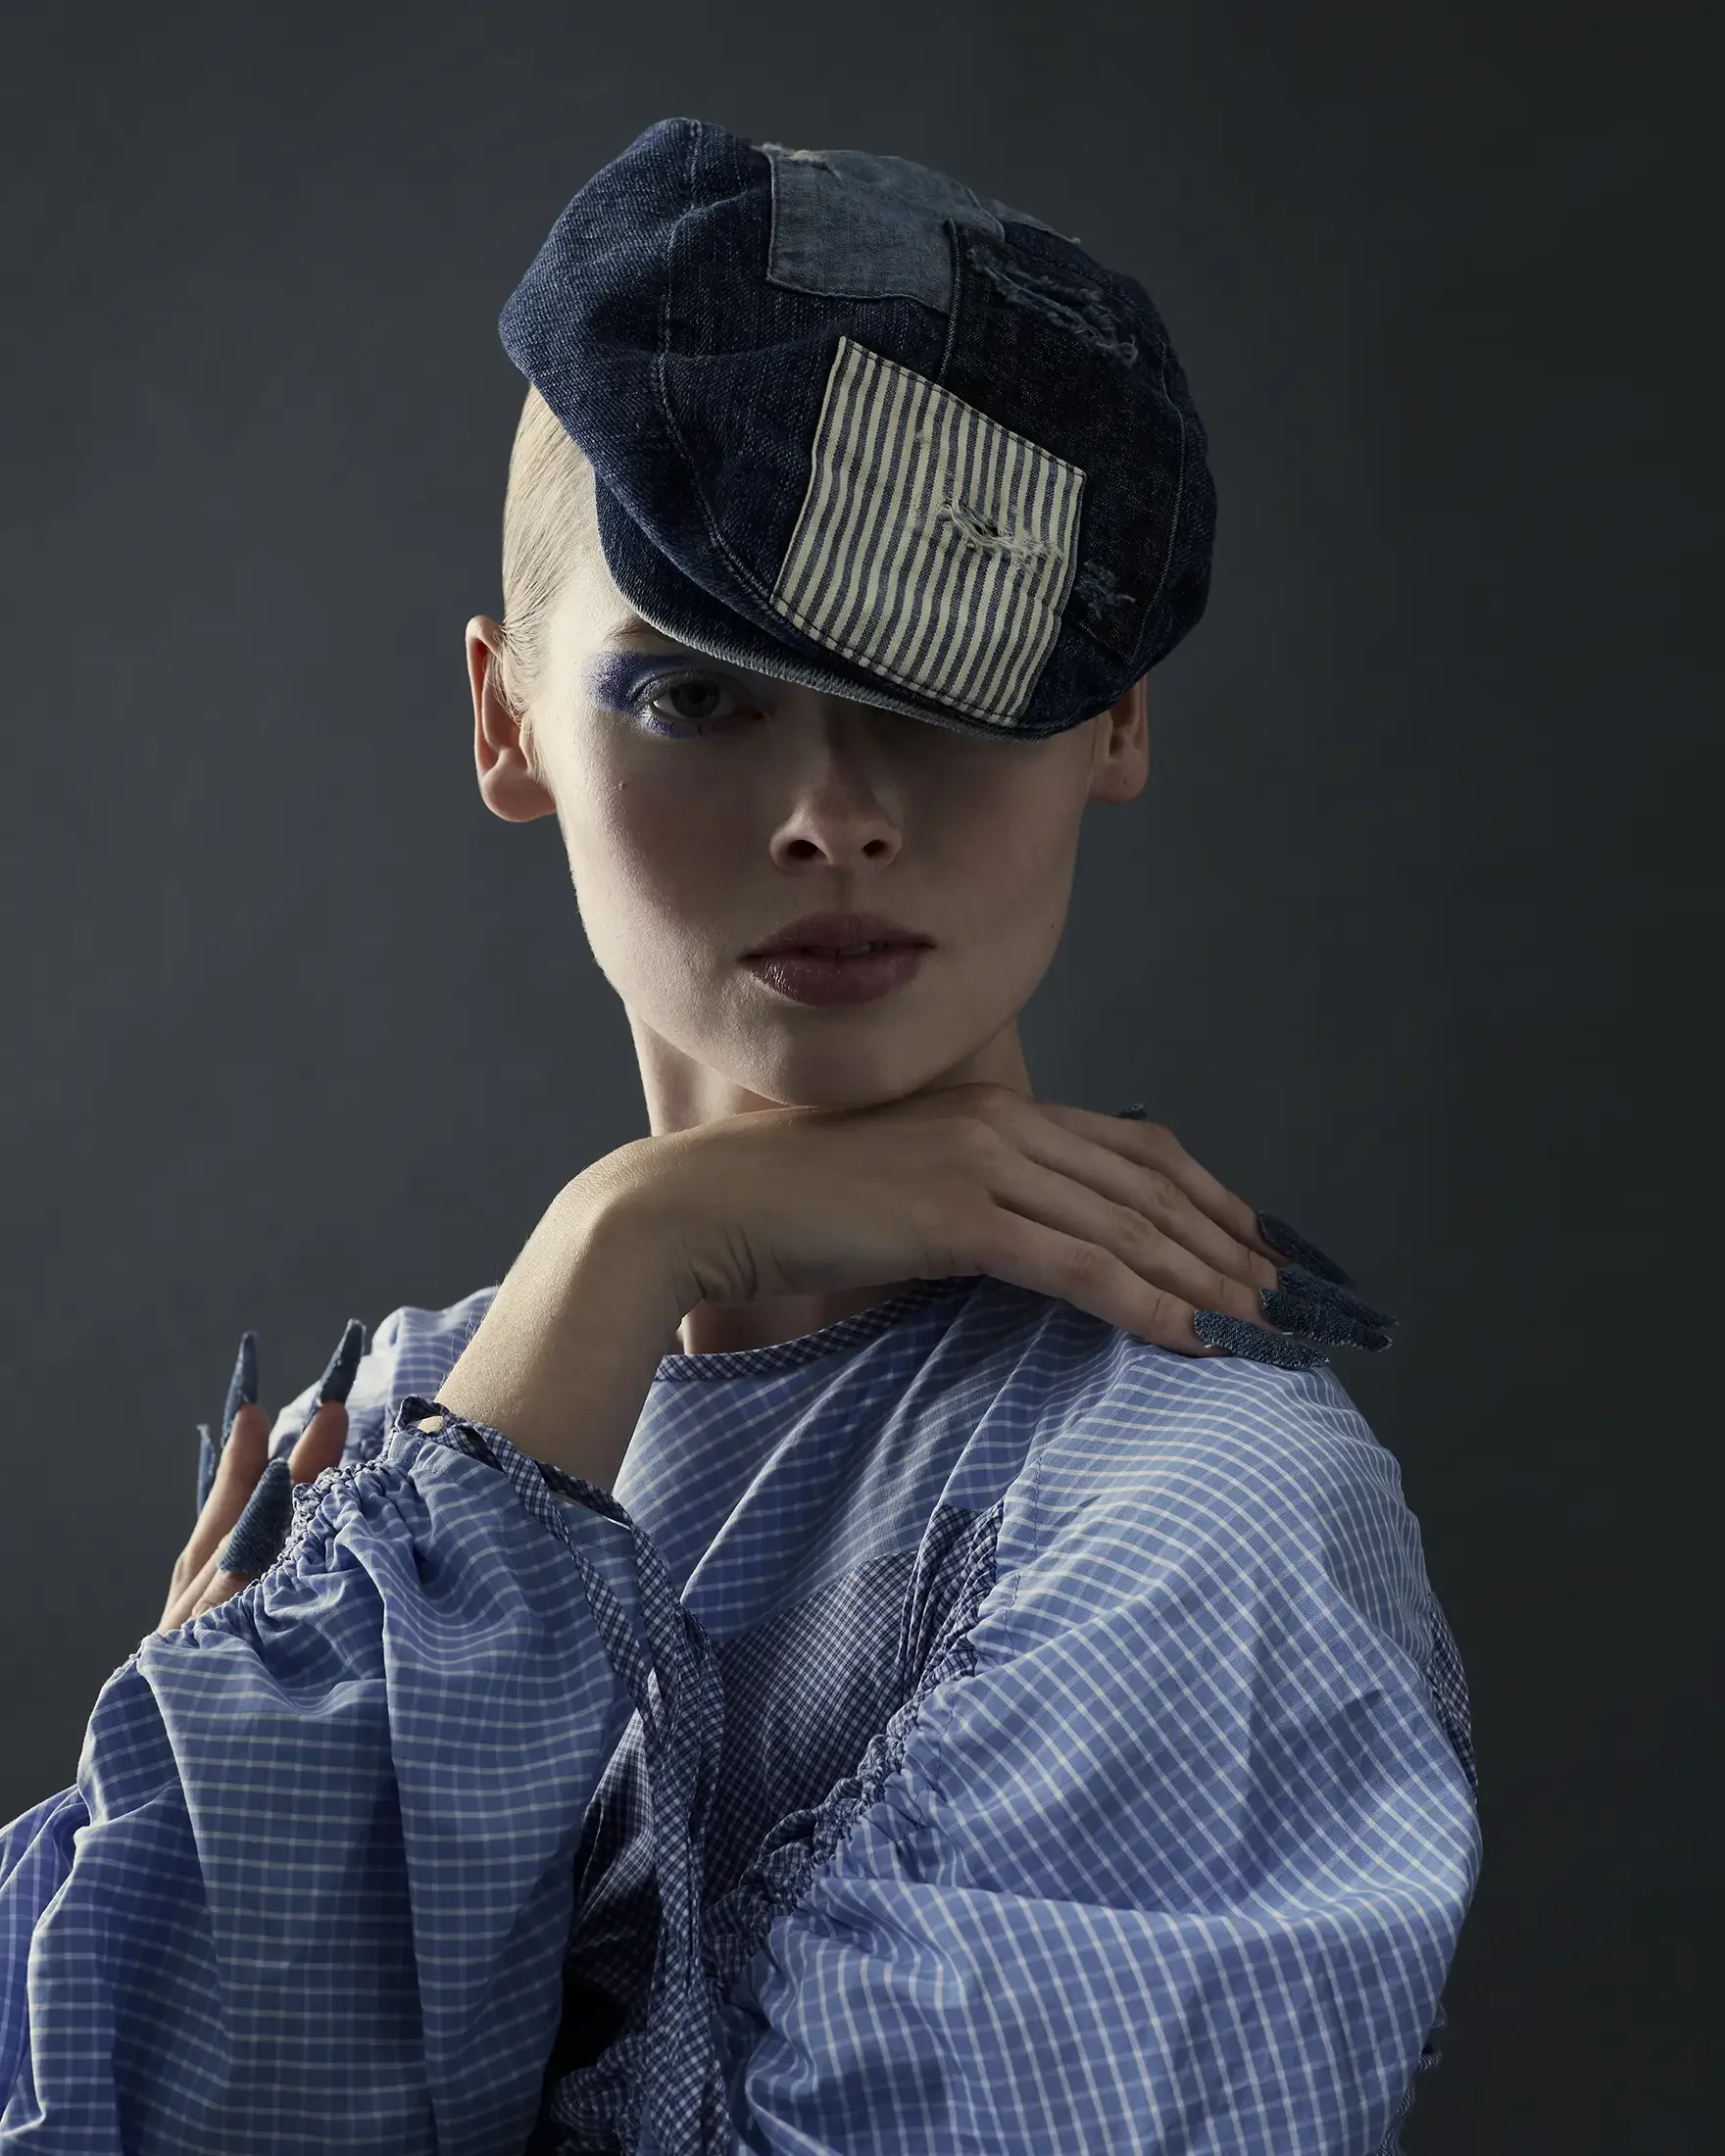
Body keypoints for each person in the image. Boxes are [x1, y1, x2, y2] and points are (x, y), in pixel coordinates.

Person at [0, 121, 1477, 2155]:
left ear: (1115, 715)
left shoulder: (1197, 1510)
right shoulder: (435, 1409)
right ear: (505, 716)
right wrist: (630, 1240)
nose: (835, 812)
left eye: (940, 687)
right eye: (698, 695)